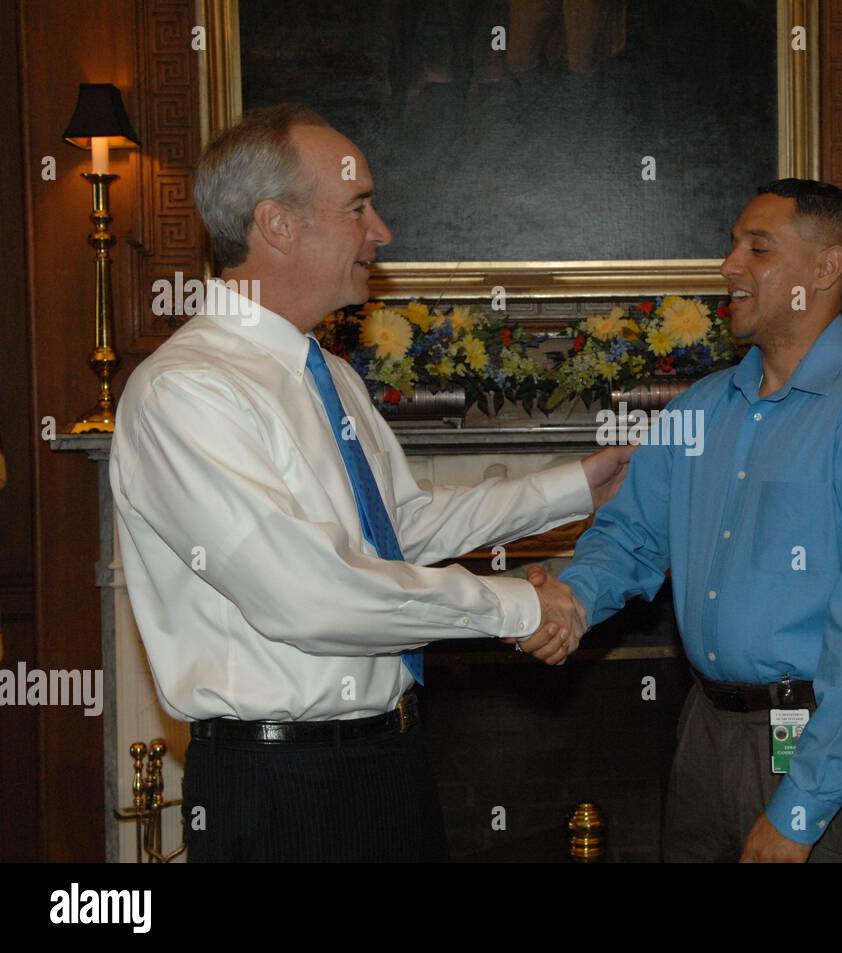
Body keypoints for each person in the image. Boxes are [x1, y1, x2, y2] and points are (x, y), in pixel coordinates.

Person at [109, 103, 603, 862]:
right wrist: (514, 605)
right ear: (277, 224)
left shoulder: (327, 373)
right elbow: (308, 594)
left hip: (390, 759)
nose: (382, 232)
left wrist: (580, 485)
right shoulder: (185, 390)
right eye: (358, 206)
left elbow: (399, 529)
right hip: (286, 788)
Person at [528, 179, 842, 862]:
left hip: (820, 747)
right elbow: (631, 535)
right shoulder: (698, 408)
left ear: (826, 268)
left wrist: (801, 807)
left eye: (758, 248)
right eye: (732, 246)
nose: (729, 266)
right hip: (703, 731)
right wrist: (575, 597)